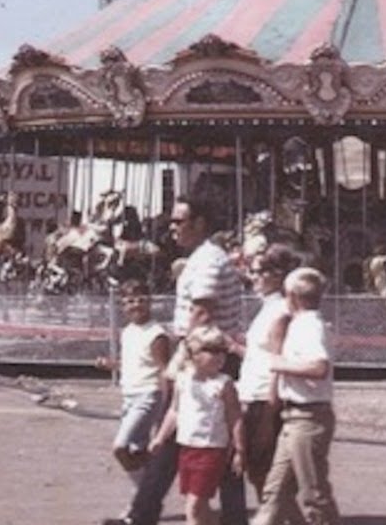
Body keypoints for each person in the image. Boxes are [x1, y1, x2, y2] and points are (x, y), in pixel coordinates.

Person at [108, 197, 248, 525]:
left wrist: (182, 360)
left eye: (178, 221)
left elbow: (202, 312)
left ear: (199, 223)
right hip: (200, 355)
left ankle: (145, 513)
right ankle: (148, 511)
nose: (171, 228)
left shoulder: (208, 261)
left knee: (198, 435)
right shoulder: (200, 259)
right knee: (180, 438)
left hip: (207, 359)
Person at [253, 267, 341, 525]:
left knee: (314, 494)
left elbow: (318, 367)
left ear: (292, 295)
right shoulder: (300, 325)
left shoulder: (310, 326)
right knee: (275, 491)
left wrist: (277, 362)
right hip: (293, 417)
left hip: (308, 417)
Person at [148, 325, 245, 525]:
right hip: (188, 449)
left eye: (221, 350)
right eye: (210, 350)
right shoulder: (183, 381)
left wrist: (239, 450)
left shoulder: (224, 384)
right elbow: (174, 411)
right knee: (200, 507)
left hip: (212, 450)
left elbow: (235, 417)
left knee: (193, 506)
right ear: (193, 355)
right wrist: (160, 437)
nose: (218, 356)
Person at [234, 245, 298, 497]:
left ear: (278, 274)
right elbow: (258, 354)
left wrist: (271, 408)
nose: (253, 276)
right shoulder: (267, 307)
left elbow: (278, 361)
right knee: (259, 469)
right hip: (250, 392)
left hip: (264, 397)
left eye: (259, 271)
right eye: (251, 270)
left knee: (264, 469)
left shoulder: (281, 310)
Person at [96, 280, 171, 482]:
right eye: (129, 301)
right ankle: (148, 497)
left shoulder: (156, 334)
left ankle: (144, 498)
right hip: (129, 395)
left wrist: (166, 410)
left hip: (149, 395)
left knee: (120, 446)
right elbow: (133, 364)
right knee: (137, 451)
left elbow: (166, 371)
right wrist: (111, 364)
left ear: (150, 302)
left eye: (141, 300)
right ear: (123, 305)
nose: (135, 305)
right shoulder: (128, 331)